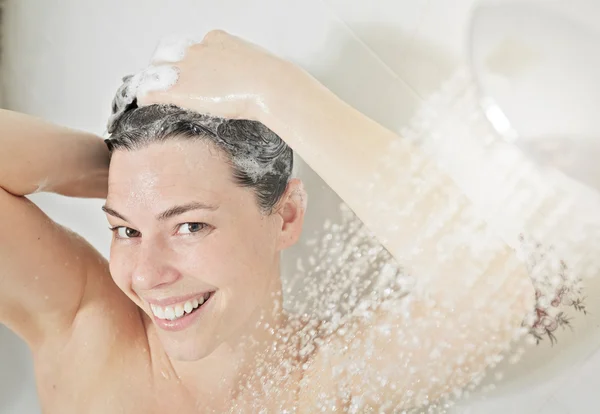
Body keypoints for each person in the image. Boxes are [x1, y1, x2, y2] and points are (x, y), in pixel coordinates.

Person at [0, 30, 535, 413]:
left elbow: (494, 299)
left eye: (189, 227)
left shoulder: (330, 384)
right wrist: (128, 173)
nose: (145, 274)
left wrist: (273, 90)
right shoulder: (85, 332)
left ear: (287, 215)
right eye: (127, 230)